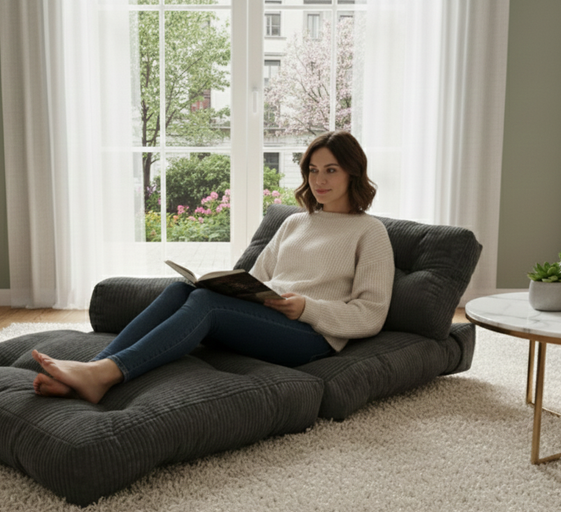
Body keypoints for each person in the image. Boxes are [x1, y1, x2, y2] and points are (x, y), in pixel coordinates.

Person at [32, 130, 396, 403]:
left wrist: (308, 308)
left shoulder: (370, 231)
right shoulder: (295, 222)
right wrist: (232, 288)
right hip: (270, 317)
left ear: (353, 173)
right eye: (313, 170)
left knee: (206, 306)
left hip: (311, 336)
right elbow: (258, 279)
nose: (319, 180)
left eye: (331, 170)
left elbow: (370, 315)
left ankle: (105, 374)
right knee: (183, 290)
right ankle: (91, 369)